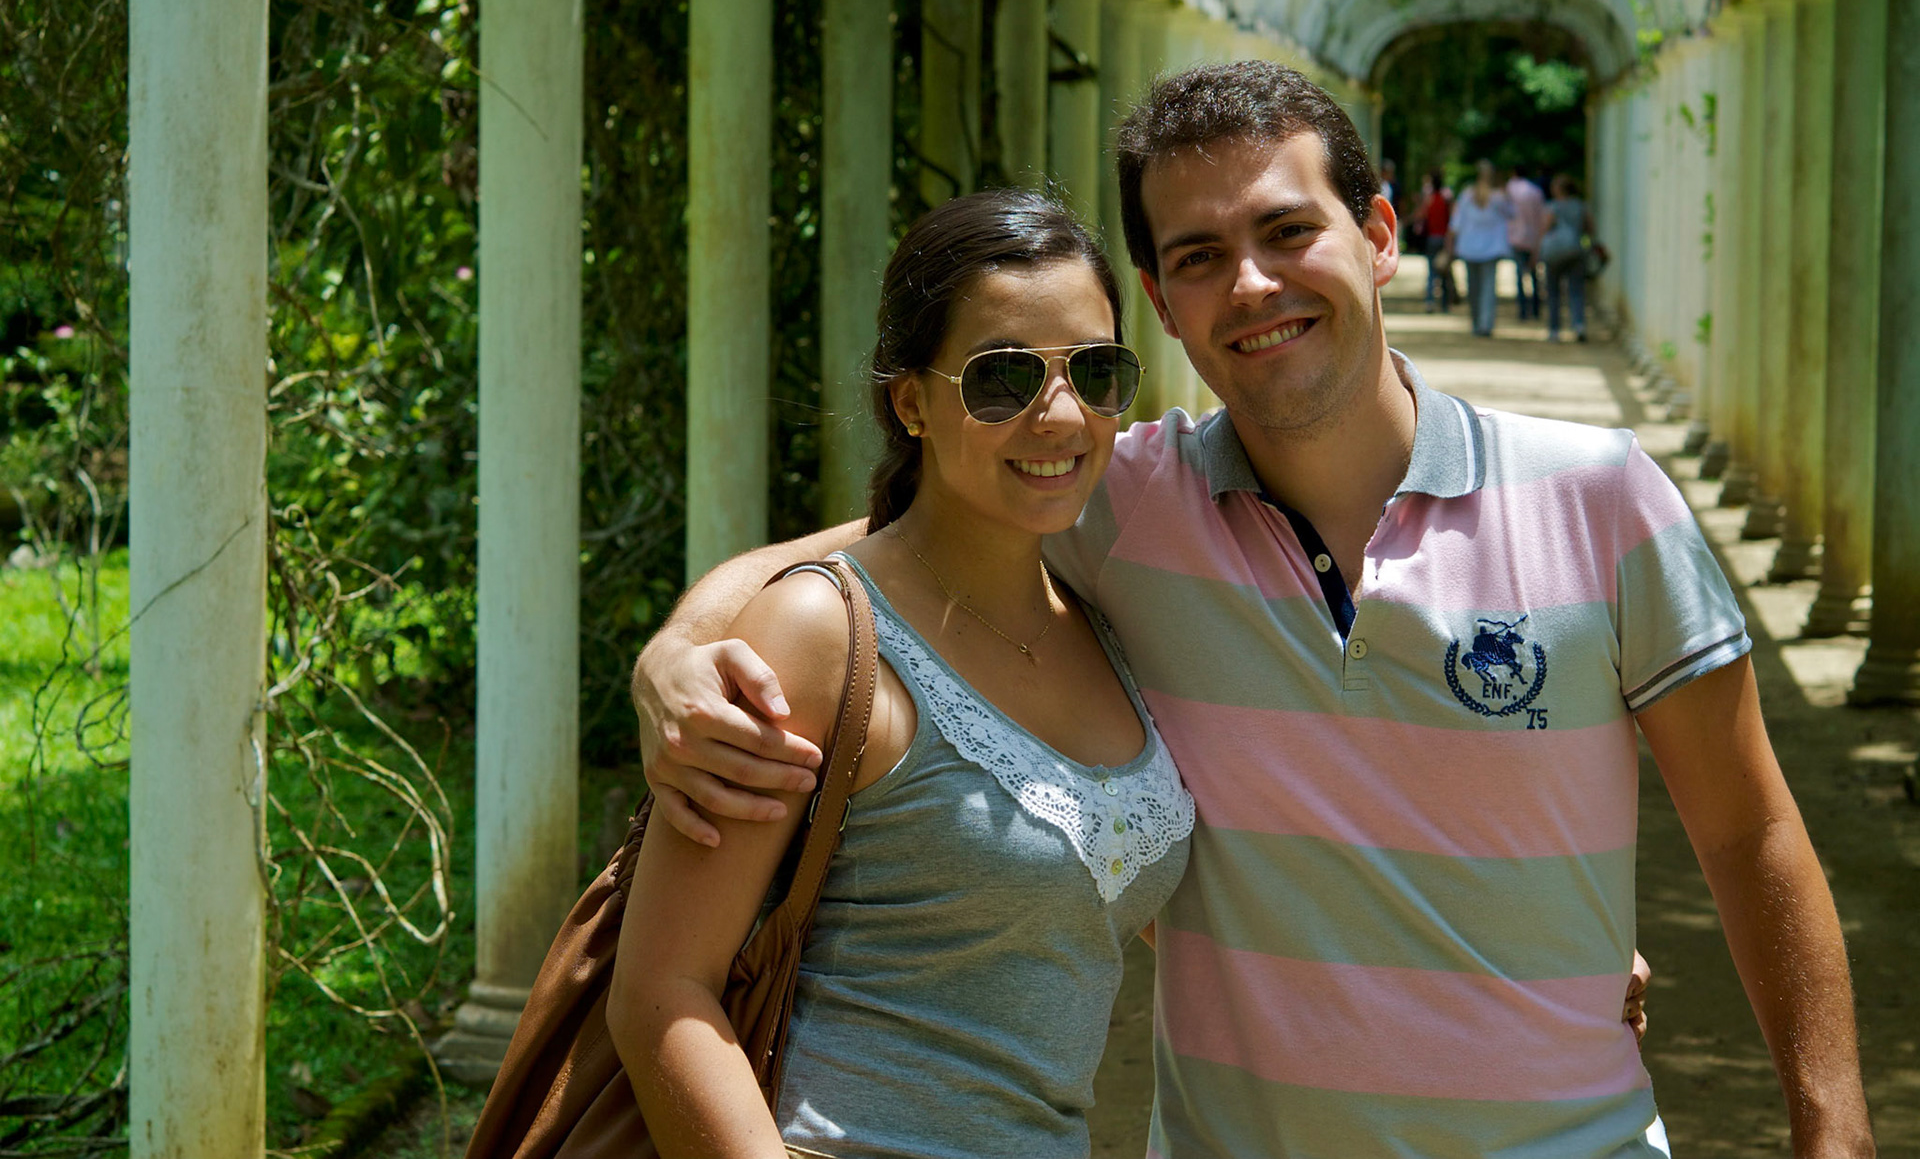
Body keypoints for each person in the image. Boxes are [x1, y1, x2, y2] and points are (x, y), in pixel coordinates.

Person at [633, 63, 1872, 1158]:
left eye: (1288, 229)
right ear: (1164, 308)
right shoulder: (1116, 501)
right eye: (1195, 257)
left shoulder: (1602, 500)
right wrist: (682, 650)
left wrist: (1832, 1128)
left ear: (1380, 231)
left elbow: (1750, 834)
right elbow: (883, 551)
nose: (1252, 284)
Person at [606, 189, 1196, 1159]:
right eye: (1004, 379)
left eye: (1097, 372)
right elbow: (661, 992)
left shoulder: (1109, 606)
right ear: (911, 401)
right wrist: (674, 650)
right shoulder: (819, 636)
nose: (1061, 414)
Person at [1446, 159, 1510, 336]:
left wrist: (1450, 243)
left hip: (1469, 247)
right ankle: (1485, 324)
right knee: (1488, 288)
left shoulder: (1467, 194)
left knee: (1472, 288)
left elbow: (1456, 222)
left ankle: (1476, 322)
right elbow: (1512, 214)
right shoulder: (1499, 197)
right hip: (1491, 248)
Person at [1540, 173, 1598, 342]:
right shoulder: (1581, 206)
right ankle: (1579, 324)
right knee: (1576, 291)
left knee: (1553, 292)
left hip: (1555, 254)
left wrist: (1539, 251)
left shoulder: (1553, 207)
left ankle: (1554, 330)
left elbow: (1545, 229)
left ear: (1558, 189)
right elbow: (1591, 229)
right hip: (1576, 251)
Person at [1505, 163, 1547, 321]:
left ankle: (1523, 310)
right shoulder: (1535, 192)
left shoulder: (1510, 189)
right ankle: (1536, 308)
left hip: (1516, 237)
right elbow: (1541, 217)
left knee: (1519, 275)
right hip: (1533, 237)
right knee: (1534, 274)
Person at [1417, 168, 1455, 313]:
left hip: (1431, 238)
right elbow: (1452, 219)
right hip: (1444, 238)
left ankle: (1430, 302)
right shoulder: (1446, 200)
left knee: (1431, 272)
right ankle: (1445, 304)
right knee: (1445, 272)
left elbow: (1421, 215)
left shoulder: (1429, 200)